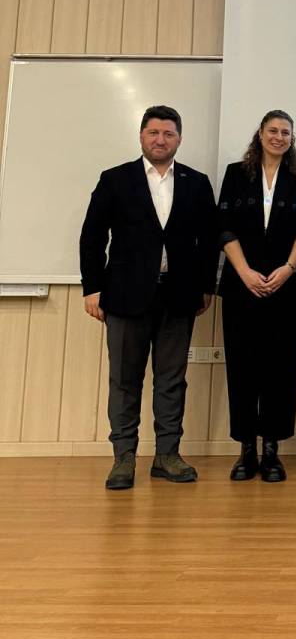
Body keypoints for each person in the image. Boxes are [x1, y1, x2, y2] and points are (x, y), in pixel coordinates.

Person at [79, 105, 218, 490]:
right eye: (154, 132)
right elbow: (92, 237)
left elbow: (209, 241)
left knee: (172, 380)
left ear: (179, 139)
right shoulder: (115, 179)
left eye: (168, 134)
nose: (161, 140)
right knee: (125, 380)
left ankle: (167, 455)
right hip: (124, 297)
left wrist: (206, 286)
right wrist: (92, 288)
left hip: (179, 296)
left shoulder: (196, 182)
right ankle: (123, 458)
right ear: (142, 136)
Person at [217, 110, 296, 483]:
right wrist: (244, 272)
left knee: (282, 369)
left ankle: (272, 450)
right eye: (273, 130)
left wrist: (288, 269)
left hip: (286, 287)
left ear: (292, 138)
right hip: (242, 286)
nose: (279, 137)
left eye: (286, 132)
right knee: (243, 367)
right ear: (260, 133)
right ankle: (246, 450)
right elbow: (224, 228)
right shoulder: (235, 174)